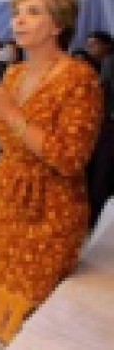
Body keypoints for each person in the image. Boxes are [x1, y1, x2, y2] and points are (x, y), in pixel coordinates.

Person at [0, 0, 102, 343]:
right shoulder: (14, 73)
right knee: (0, 286)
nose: (18, 20)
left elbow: (71, 158)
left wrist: (12, 114)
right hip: (6, 197)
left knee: (37, 307)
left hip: (49, 209)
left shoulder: (79, 78)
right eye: (17, 13)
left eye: (33, 12)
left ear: (58, 25)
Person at [83, 31, 114, 228]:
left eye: (94, 44)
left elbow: (101, 94)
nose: (90, 49)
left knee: (101, 176)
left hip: (108, 128)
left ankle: (95, 222)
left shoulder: (109, 62)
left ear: (107, 45)